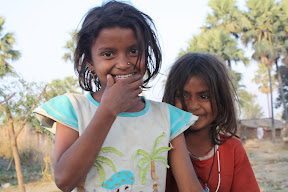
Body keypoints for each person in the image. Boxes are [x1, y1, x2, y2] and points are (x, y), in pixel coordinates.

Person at [33, 1, 203, 192]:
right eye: (108, 54)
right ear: (90, 62)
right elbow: (64, 180)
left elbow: (190, 188)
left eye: (133, 51)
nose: (123, 64)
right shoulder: (73, 109)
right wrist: (108, 110)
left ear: (146, 55)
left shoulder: (167, 117)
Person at [163, 53, 260, 192]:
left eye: (204, 96)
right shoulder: (160, 148)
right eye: (183, 96)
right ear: (170, 98)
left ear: (221, 100)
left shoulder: (233, 149)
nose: (193, 106)